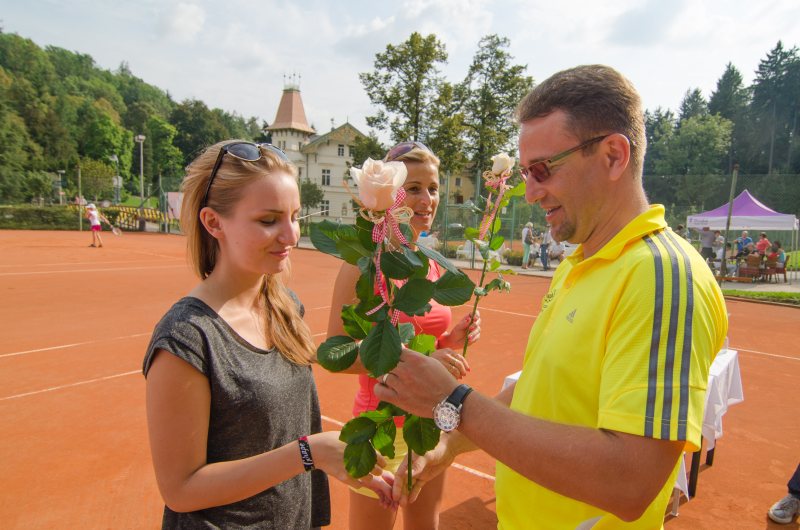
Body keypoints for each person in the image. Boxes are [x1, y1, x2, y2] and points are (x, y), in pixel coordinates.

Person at [375, 65, 728, 529]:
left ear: (613, 155)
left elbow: (631, 482)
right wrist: (445, 449)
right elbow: (538, 391)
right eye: (524, 173)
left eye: (542, 170)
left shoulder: (663, 276)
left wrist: (455, 403)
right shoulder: (580, 263)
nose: (532, 190)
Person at [143, 140, 391, 529]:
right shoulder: (187, 338)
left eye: (294, 216)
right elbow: (181, 489)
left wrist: (404, 356)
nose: (290, 235)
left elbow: (327, 355)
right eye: (268, 220)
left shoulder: (283, 306)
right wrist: (308, 453)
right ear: (213, 223)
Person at [326, 140, 482, 530]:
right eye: (414, 188)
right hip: (378, 428)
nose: (427, 199)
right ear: (388, 195)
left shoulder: (428, 263)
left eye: (433, 188)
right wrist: (426, 362)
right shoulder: (363, 264)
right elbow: (334, 354)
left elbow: (418, 339)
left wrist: (449, 340)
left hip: (431, 422)